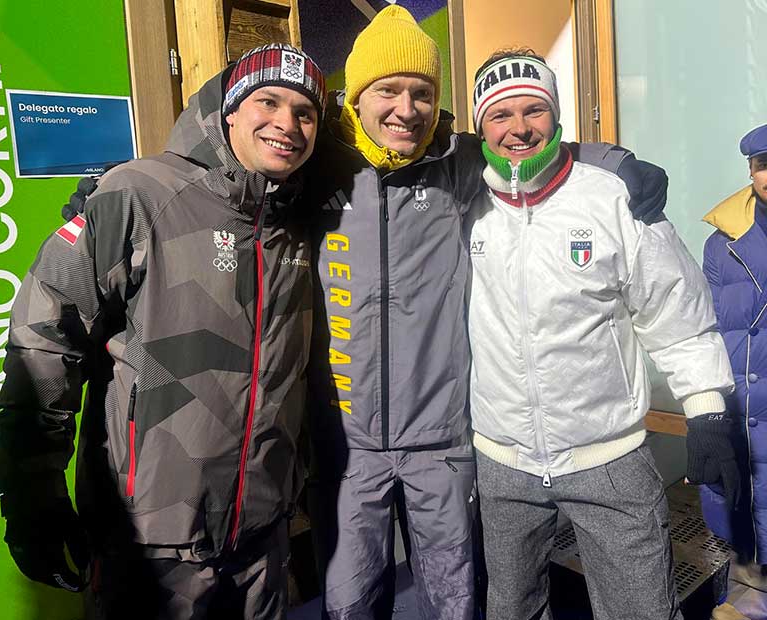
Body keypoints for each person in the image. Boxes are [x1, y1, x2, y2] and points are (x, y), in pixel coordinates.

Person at [304, 10, 669, 620]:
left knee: (456, 600)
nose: (406, 108)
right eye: (387, 91)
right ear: (357, 97)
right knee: (348, 600)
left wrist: (617, 159)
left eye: (421, 93)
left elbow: (533, 144)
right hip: (347, 444)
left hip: (442, 441)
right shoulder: (318, 171)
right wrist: (91, 208)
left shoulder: (457, 162)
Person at [0, 43, 326, 620]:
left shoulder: (296, 220)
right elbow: (44, 342)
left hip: (261, 538)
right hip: (151, 544)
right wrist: (32, 497)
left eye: (305, 112)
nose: (286, 125)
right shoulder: (141, 193)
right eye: (268, 101)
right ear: (230, 110)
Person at [465, 49, 738, 620]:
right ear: (478, 125)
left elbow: (675, 311)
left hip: (609, 456)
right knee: (511, 608)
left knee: (639, 608)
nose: (518, 128)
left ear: (557, 114)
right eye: (500, 114)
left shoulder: (615, 196)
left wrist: (707, 409)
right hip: (501, 458)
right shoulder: (463, 204)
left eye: (534, 110)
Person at [701, 123, 767, 565]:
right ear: (750, 171)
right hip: (741, 417)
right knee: (742, 551)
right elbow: (703, 333)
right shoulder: (721, 246)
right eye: (763, 164)